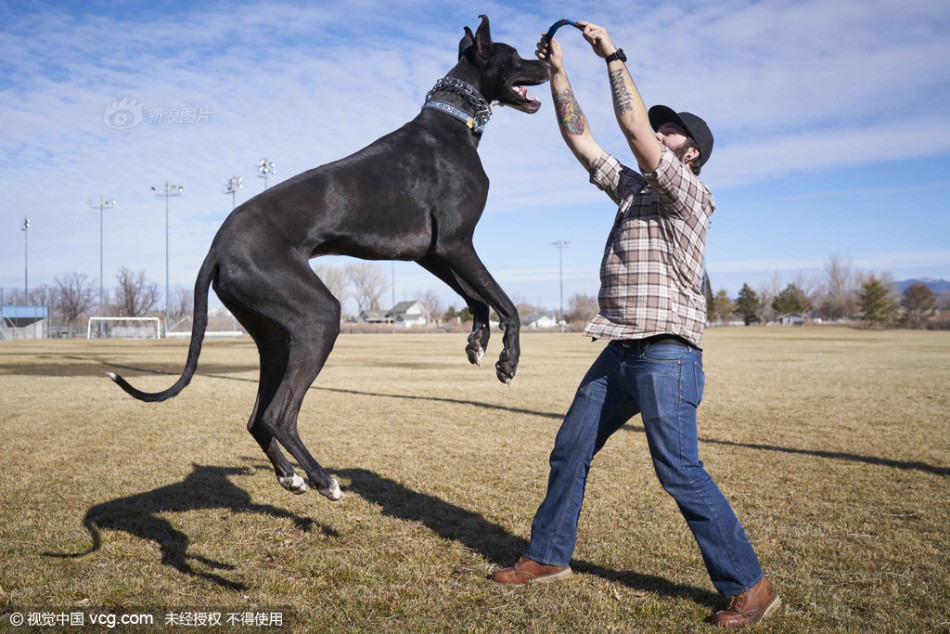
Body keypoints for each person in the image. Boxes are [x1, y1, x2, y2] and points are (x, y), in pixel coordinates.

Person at [490, 21, 779, 628]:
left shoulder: (689, 192)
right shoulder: (634, 191)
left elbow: (630, 126)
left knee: (678, 468)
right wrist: (561, 73)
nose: (659, 131)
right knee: (571, 447)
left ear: (689, 151)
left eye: (670, 129)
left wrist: (613, 57)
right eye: (661, 125)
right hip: (621, 347)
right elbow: (583, 138)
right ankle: (547, 556)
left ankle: (750, 586)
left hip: (668, 352)